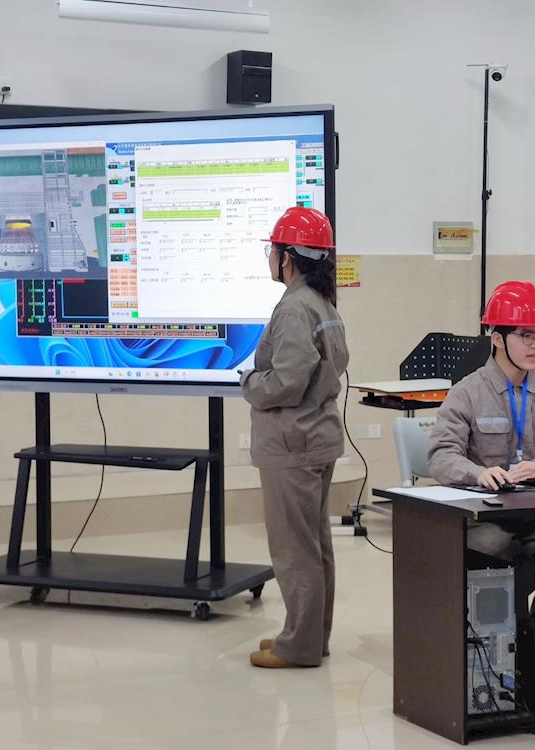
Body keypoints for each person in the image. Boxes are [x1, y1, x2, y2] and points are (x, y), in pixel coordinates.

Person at [427, 280, 535, 628]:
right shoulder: (467, 393)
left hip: (533, 517)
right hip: (482, 520)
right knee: (516, 567)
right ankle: (506, 652)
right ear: (498, 338)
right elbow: (441, 456)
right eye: (525, 335)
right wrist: (478, 473)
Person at [240, 206, 349, 669]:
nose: (270, 257)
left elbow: (286, 380)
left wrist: (249, 381)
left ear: (287, 257)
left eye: (272, 249)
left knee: (294, 550)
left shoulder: (293, 307)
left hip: (292, 443)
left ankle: (298, 647)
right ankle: (309, 637)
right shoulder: (322, 303)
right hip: (315, 437)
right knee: (314, 546)